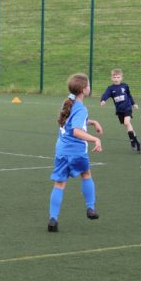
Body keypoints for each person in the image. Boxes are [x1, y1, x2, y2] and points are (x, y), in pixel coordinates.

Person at [48, 73, 103, 232]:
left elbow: (72, 122)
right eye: (89, 85)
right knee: (86, 174)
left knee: (59, 184)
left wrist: (93, 122)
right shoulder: (81, 108)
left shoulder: (67, 103)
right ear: (84, 90)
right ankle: (90, 208)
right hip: (76, 151)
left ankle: (53, 219)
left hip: (61, 150)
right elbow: (76, 131)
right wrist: (95, 139)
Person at [99, 69, 140, 152]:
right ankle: (134, 140)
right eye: (114, 77)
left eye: (118, 77)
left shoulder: (125, 86)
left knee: (126, 122)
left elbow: (129, 95)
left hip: (127, 108)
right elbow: (106, 94)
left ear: (121, 78)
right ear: (111, 78)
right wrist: (103, 100)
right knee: (127, 125)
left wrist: (133, 103)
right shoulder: (110, 88)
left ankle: (133, 141)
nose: (116, 79)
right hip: (119, 110)